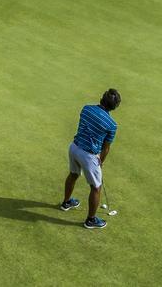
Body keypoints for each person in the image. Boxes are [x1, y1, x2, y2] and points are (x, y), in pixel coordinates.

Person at [59, 88, 121, 230]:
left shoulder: (86, 108)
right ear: (115, 106)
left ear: (102, 98)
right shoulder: (112, 125)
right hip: (89, 155)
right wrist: (101, 162)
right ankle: (91, 220)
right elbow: (106, 148)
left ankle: (66, 202)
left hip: (74, 147)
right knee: (96, 188)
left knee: (73, 174)